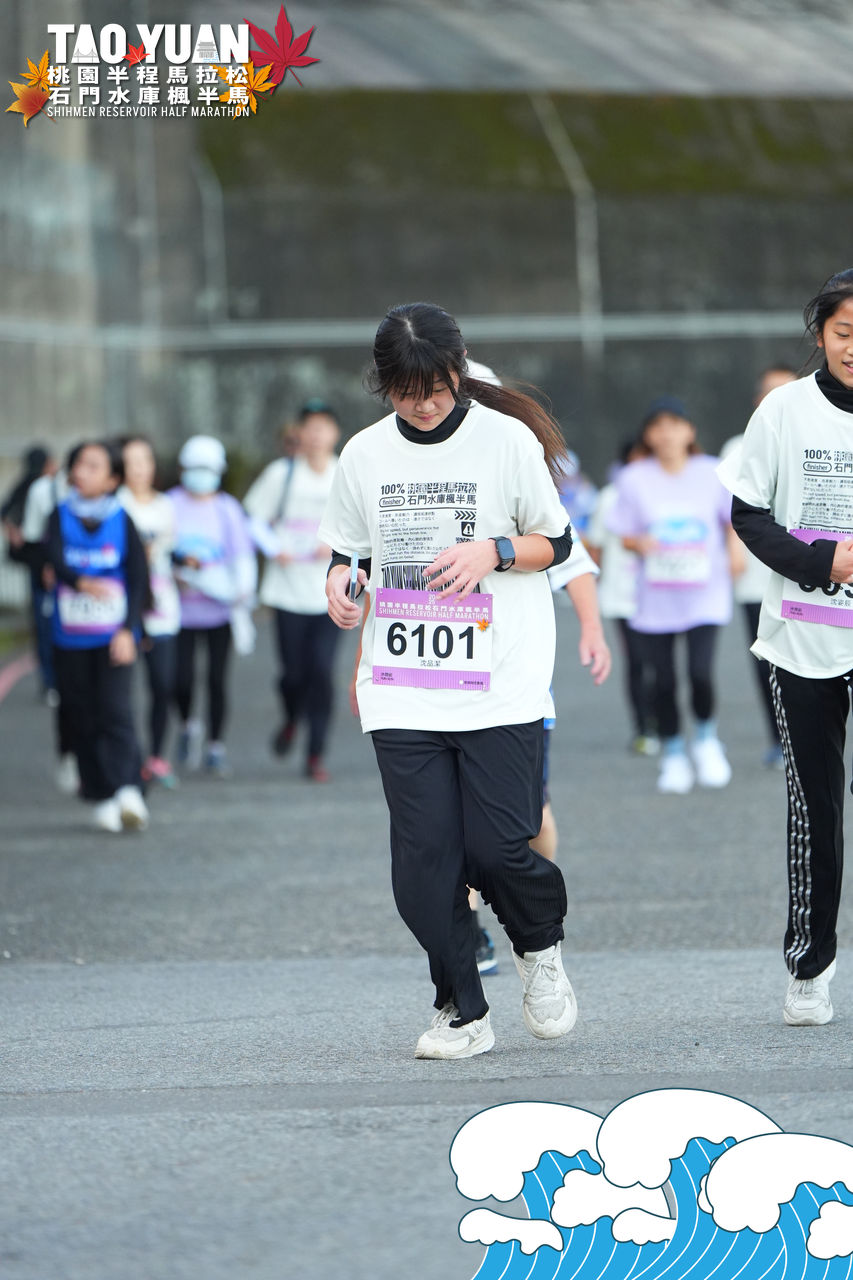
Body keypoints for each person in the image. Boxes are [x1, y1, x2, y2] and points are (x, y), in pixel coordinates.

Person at [320, 301, 577, 1060]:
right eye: (406, 393)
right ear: (382, 385)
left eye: (435, 388)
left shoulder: (506, 441)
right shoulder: (363, 455)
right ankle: (460, 1010)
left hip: (499, 678)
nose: (424, 405)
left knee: (497, 849)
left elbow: (557, 542)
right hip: (403, 680)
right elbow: (349, 551)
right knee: (423, 867)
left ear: (458, 373)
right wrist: (341, 582)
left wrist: (493, 551)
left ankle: (538, 946)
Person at [718, 268, 853, 1027]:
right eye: (843, 333)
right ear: (820, 334)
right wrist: (822, 561)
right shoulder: (783, 411)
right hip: (803, 636)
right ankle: (810, 967)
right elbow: (748, 515)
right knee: (814, 809)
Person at [608, 396, 736, 795]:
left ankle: (707, 739)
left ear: (689, 431)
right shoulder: (633, 477)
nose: (666, 434)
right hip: (656, 598)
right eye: (658, 427)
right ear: (647, 435)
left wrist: (735, 555)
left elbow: (731, 521)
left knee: (700, 673)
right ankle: (674, 752)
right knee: (662, 681)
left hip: (705, 594)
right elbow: (624, 534)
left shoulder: (713, 471)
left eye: (674, 425)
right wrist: (640, 543)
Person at [46, 439, 149, 833]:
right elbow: (53, 559)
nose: (81, 473)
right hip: (69, 638)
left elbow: (138, 579)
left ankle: (129, 789)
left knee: (116, 712)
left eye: (93, 466)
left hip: (113, 638)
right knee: (81, 716)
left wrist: (128, 630)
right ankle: (101, 793)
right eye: (78, 465)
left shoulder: (122, 519)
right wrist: (81, 583)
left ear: (112, 479)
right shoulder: (59, 516)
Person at [243, 400, 342, 782]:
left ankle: (315, 754)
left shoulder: (344, 473)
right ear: (299, 433)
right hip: (287, 592)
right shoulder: (281, 474)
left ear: (335, 433)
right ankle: (291, 719)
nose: (316, 435)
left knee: (322, 671)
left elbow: (364, 525)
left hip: (330, 591)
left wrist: (336, 547)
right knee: (293, 675)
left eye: (323, 427)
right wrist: (274, 548)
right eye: (309, 427)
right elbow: (253, 518)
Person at [719, 364, 798, 768]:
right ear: (757, 401)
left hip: (815, 577)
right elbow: (732, 510)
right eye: (770, 391)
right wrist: (733, 549)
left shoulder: (822, 435)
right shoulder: (739, 445)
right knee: (768, 662)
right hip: (757, 579)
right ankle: (779, 741)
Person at [170, 435, 256, 779]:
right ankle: (187, 725)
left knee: (217, 680)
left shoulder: (227, 509)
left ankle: (216, 746)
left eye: (208, 469)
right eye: (196, 468)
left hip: (219, 612)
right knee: (181, 679)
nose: (201, 475)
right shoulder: (169, 504)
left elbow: (242, 557)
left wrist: (242, 592)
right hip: (179, 613)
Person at [587, 439, 657, 754]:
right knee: (638, 662)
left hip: (663, 596)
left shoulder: (667, 494)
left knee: (663, 663)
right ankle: (644, 729)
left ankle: (664, 725)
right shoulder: (609, 498)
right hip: (622, 596)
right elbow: (596, 546)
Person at [120, 436, 181, 789]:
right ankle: (127, 758)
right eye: (131, 461)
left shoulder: (165, 505)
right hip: (124, 613)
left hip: (163, 610)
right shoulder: (116, 505)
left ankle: (156, 757)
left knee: (163, 685)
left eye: (145, 460)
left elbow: (169, 551)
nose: (139, 468)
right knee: (121, 692)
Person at [2, 445, 58, 699]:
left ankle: (51, 680)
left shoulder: (28, 486)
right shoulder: (41, 488)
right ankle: (51, 680)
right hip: (43, 566)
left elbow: (5, 514)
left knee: (44, 623)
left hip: (41, 565)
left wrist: (14, 533)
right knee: (48, 625)